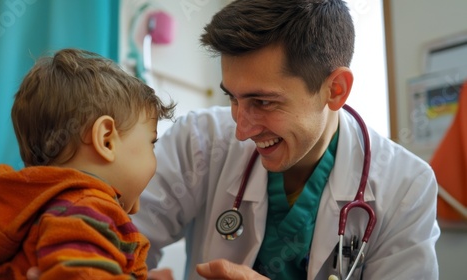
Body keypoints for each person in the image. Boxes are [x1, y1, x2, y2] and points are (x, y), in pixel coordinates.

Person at [132, 0, 441, 279]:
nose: (241, 130)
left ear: (335, 89)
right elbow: (116, 236)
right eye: (233, 98)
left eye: (263, 103)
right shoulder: (198, 141)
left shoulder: (406, 186)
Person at [0, 48, 175, 279]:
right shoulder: (86, 207)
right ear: (106, 140)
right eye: (151, 143)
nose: (153, 157)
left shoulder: (42, 209)